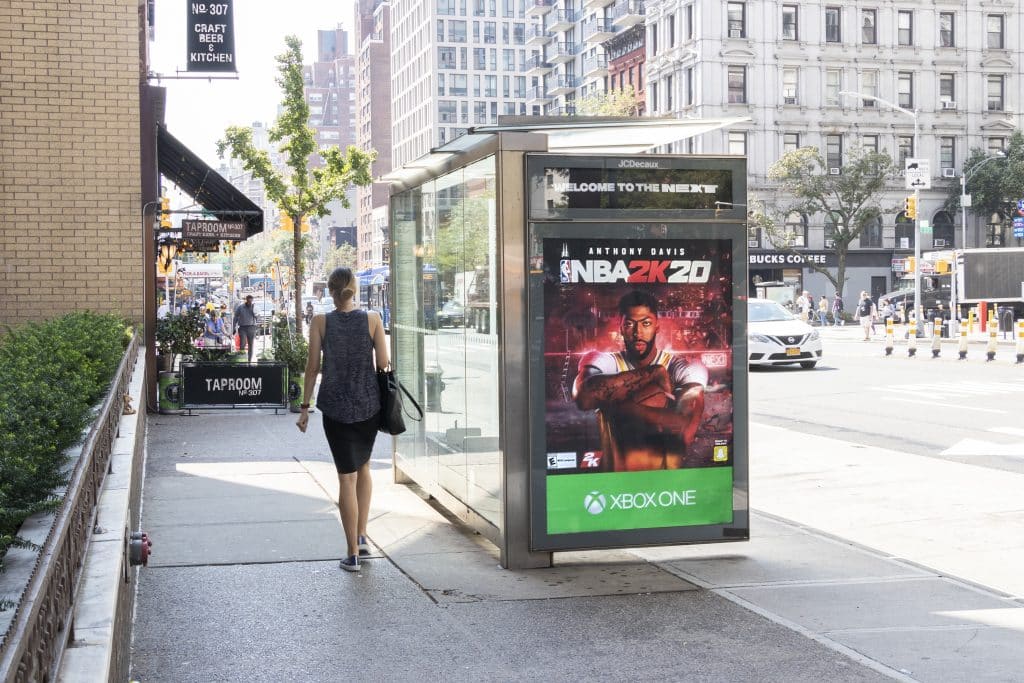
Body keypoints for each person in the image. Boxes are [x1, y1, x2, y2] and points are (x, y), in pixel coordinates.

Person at [296, 267, 389, 573]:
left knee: (345, 477)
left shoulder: (321, 322)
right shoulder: (373, 320)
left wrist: (305, 406)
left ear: (330, 291)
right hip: (369, 407)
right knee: (363, 468)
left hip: (335, 409)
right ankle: (362, 537)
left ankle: (352, 553)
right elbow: (384, 365)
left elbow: (312, 368)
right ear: (354, 290)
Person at [572, 290, 707, 472]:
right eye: (629, 324)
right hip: (617, 484)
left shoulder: (685, 367)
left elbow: (685, 427)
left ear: (657, 326)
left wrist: (623, 407)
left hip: (668, 486)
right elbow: (584, 398)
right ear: (620, 327)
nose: (638, 332)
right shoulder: (602, 360)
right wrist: (654, 374)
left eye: (646, 323)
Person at [233, 295, 258, 362]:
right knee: (242, 343)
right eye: (249, 301)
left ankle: (249, 360)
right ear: (246, 300)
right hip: (242, 327)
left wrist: (256, 315)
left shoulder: (254, 307)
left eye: (251, 301)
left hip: (251, 327)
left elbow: (258, 317)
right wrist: (233, 327)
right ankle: (242, 359)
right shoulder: (241, 307)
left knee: (251, 344)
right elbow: (235, 317)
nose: (250, 302)